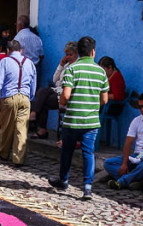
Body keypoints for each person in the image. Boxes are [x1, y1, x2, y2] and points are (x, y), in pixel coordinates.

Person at [47, 36, 108, 201]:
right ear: (93, 52)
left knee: (67, 151)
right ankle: (87, 188)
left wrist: (62, 101)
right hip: (91, 121)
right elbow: (104, 100)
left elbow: (65, 95)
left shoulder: (71, 69)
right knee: (88, 153)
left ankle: (64, 180)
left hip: (72, 119)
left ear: (79, 52)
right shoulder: (101, 71)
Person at [0, 39, 36, 166]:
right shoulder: (30, 63)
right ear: (21, 51)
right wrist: (30, 97)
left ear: (8, 51)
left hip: (9, 98)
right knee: (22, 129)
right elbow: (33, 83)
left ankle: (3, 153)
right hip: (25, 98)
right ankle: (18, 158)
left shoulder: (5, 61)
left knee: (7, 127)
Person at [29, 41, 76, 139]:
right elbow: (55, 79)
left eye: (71, 55)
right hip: (58, 90)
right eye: (67, 55)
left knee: (43, 101)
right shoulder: (66, 65)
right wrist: (61, 65)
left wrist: (61, 84)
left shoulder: (77, 66)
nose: (68, 57)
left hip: (66, 94)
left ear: (77, 54)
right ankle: (34, 114)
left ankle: (40, 126)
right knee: (42, 91)